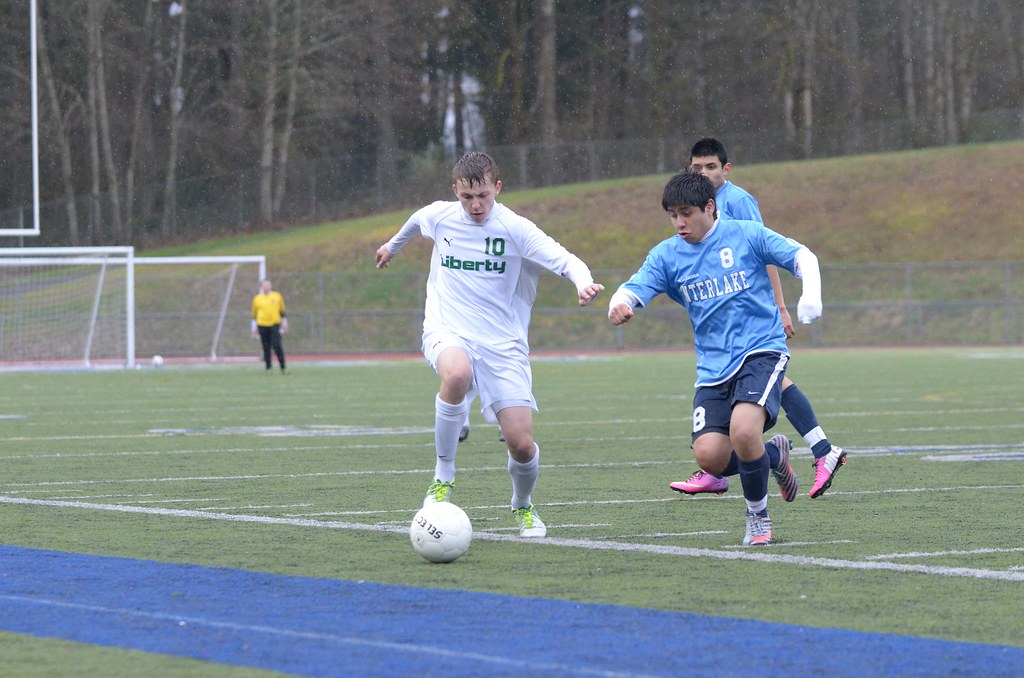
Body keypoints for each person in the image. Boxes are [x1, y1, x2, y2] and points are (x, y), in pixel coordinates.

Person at [375, 151, 604, 537]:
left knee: (521, 445)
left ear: (497, 187)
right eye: (467, 197)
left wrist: (583, 283)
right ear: (455, 191)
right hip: (448, 327)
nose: (476, 205)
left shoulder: (515, 228)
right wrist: (392, 246)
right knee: (456, 374)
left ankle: (522, 504)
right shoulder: (441, 216)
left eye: (483, 195)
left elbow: (566, 260)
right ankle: (443, 475)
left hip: (503, 345)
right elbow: (416, 220)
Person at [608, 170, 823, 545]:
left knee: (744, 431)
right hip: (713, 367)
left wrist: (811, 295)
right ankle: (774, 457)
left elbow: (804, 256)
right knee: (710, 457)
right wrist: (619, 303)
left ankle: (757, 516)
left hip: (761, 349)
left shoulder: (746, 234)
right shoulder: (667, 255)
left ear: (710, 207)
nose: (679, 223)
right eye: (673, 215)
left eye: (686, 213)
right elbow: (632, 287)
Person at [669, 137, 846, 499]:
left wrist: (779, 307)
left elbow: (764, 253)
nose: (703, 173)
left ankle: (816, 452)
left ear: (726, 169)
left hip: (750, 316)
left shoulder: (738, 201)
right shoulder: (690, 204)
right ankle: (820, 450)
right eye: (697, 167)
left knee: (761, 383)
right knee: (764, 383)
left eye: (710, 167)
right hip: (722, 318)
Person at [251, 278, 288, 373]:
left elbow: (282, 311)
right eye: (264, 285)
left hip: (274, 324)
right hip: (262, 325)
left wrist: (284, 323)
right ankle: (268, 368)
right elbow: (254, 315)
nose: (266, 287)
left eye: (268, 285)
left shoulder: (277, 296)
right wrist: (254, 329)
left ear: (271, 286)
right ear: (261, 287)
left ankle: (283, 367)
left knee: (277, 345)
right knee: (266, 347)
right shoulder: (257, 299)